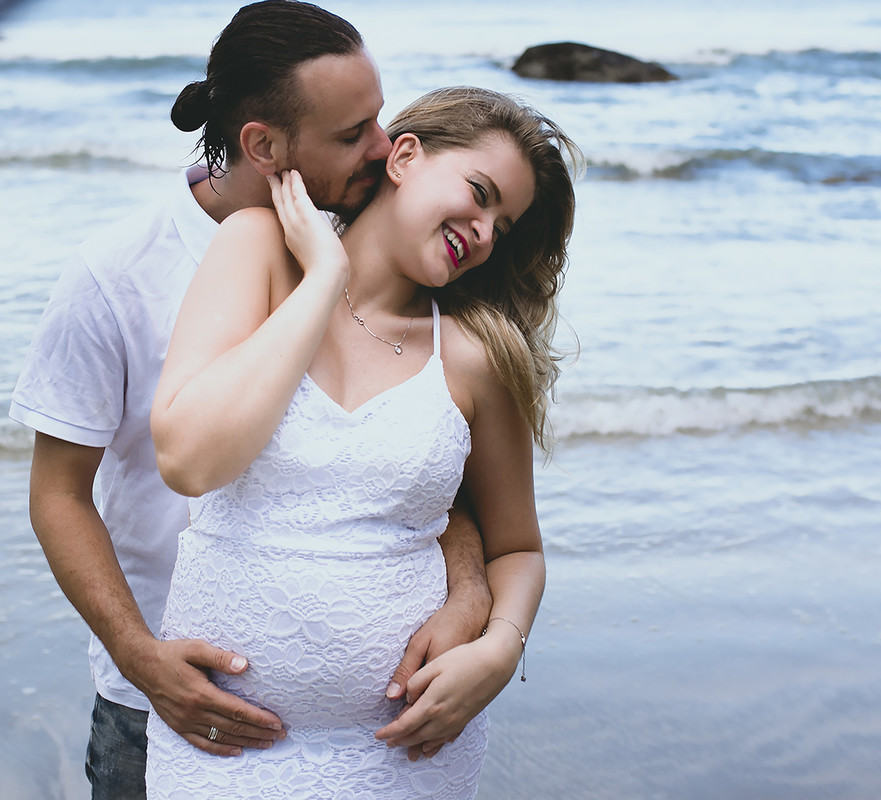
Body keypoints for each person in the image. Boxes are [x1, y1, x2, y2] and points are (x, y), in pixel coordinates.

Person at [7, 2, 491, 796]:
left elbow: (429, 465)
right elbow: (58, 494)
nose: (384, 148)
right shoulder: (117, 273)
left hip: (377, 734)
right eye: (351, 133)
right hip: (170, 708)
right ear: (264, 144)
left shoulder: (374, 244)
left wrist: (471, 596)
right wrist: (141, 658)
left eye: (377, 116)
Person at [143, 85, 579, 796]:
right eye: (479, 191)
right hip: (221, 752)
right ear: (405, 156)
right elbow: (189, 460)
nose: (486, 228)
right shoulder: (258, 250)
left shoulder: (475, 354)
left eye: (505, 223)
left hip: (407, 754)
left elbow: (515, 548)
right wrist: (326, 276)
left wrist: (499, 651)